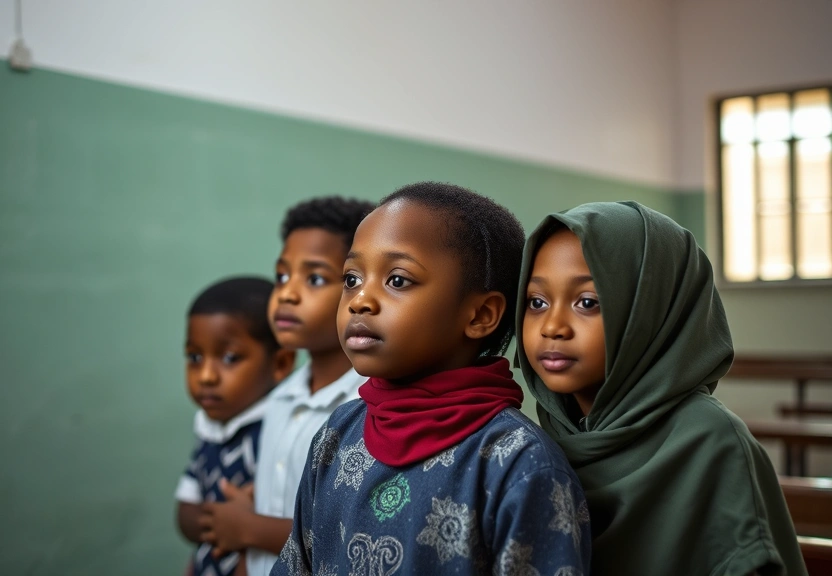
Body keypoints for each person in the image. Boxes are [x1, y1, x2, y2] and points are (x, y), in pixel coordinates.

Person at [272, 182, 591, 575]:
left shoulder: (520, 463)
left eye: (398, 280)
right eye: (352, 278)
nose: (359, 300)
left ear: (479, 316)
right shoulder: (337, 433)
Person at [515, 201, 807, 576]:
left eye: (587, 302)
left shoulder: (711, 443)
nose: (552, 326)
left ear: (651, 312)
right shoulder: (538, 440)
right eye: (536, 302)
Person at [198, 197, 375, 576]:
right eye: (282, 276)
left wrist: (249, 529)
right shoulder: (281, 396)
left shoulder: (366, 406)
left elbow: (354, 535)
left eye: (314, 279)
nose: (288, 293)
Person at [175, 276, 296, 576]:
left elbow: (311, 534)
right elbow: (186, 510)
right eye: (194, 357)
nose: (206, 376)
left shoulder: (281, 433)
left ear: (280, 364)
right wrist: (217, 522)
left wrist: (247, 526)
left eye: (229, 358)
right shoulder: (209, 427)